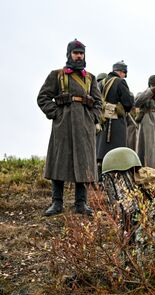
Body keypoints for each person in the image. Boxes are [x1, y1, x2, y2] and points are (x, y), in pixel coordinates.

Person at [37, 39, 102, 216]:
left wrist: (92, 118)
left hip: (84, 125)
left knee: (84, 162)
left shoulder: (90, 78)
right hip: (63, 125)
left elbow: (98, 103)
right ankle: (56, 203)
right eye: (76, 53)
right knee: (59, 161)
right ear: (69, 54)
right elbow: (43, 97)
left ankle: (81, 203)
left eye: (81, 53)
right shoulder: (56, 75)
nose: (79, 56)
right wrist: (56, 114)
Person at [96, 60, 134, 173]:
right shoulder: (120, 82)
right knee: (117, 155)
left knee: (101, 154)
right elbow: (128, 103)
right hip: (116, 124)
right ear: (122, 72)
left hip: (102, 122)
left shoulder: (100, 83)